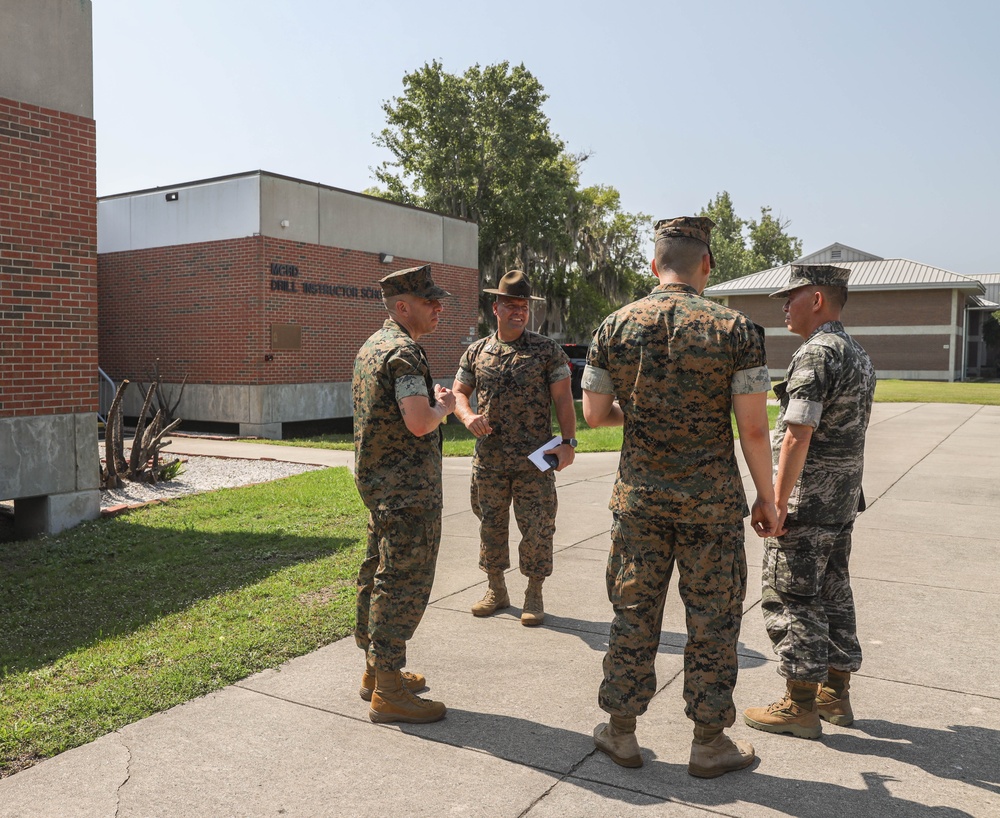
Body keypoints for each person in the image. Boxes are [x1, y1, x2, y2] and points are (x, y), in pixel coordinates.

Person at [582, 216, 777, 778]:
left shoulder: (614, 326)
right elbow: (754, 430)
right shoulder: (737, 330)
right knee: (713, 623)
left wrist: (642, 414)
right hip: (711, 507)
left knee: (633, 615)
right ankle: (710, 742)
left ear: (654, 264)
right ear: (707, 265)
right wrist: (768, 498)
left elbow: (595, 415)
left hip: (639, 503)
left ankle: (620, 732)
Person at [743, 265, 875, 739]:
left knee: (792, 596)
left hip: (808, 501)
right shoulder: (856, 353)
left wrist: (775, 502)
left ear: (817, 299)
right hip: (840, 501)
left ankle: (800, 705)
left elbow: (798, 434)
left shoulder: (816, 354)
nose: (784, 305)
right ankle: (835, 695)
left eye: (792, 296)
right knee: (835, 592)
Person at [353, 264, 457, 724]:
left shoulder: (374, 346)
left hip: (382, 486)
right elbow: (418, 422)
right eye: (429, 301)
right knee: (402, 583)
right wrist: (445, 407)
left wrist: (430, 406)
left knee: (379, 573)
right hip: (406, 491)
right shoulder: (403, 352)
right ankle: (390, 691)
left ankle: (377, 673)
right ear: (402, 306)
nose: (438, 307)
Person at [453, 270, 576, 627]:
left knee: (537, 529)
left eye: (523, 306)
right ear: (496, 308)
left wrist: (568, 443)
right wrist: (467, 416)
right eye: (511, 305)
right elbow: (459, 392)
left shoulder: (545, 351)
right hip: (489, 461)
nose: (518, 312)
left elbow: (564, 400)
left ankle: (533, 593)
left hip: (534, 463)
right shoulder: (477, 351)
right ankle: (496, 589)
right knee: (490, 525)